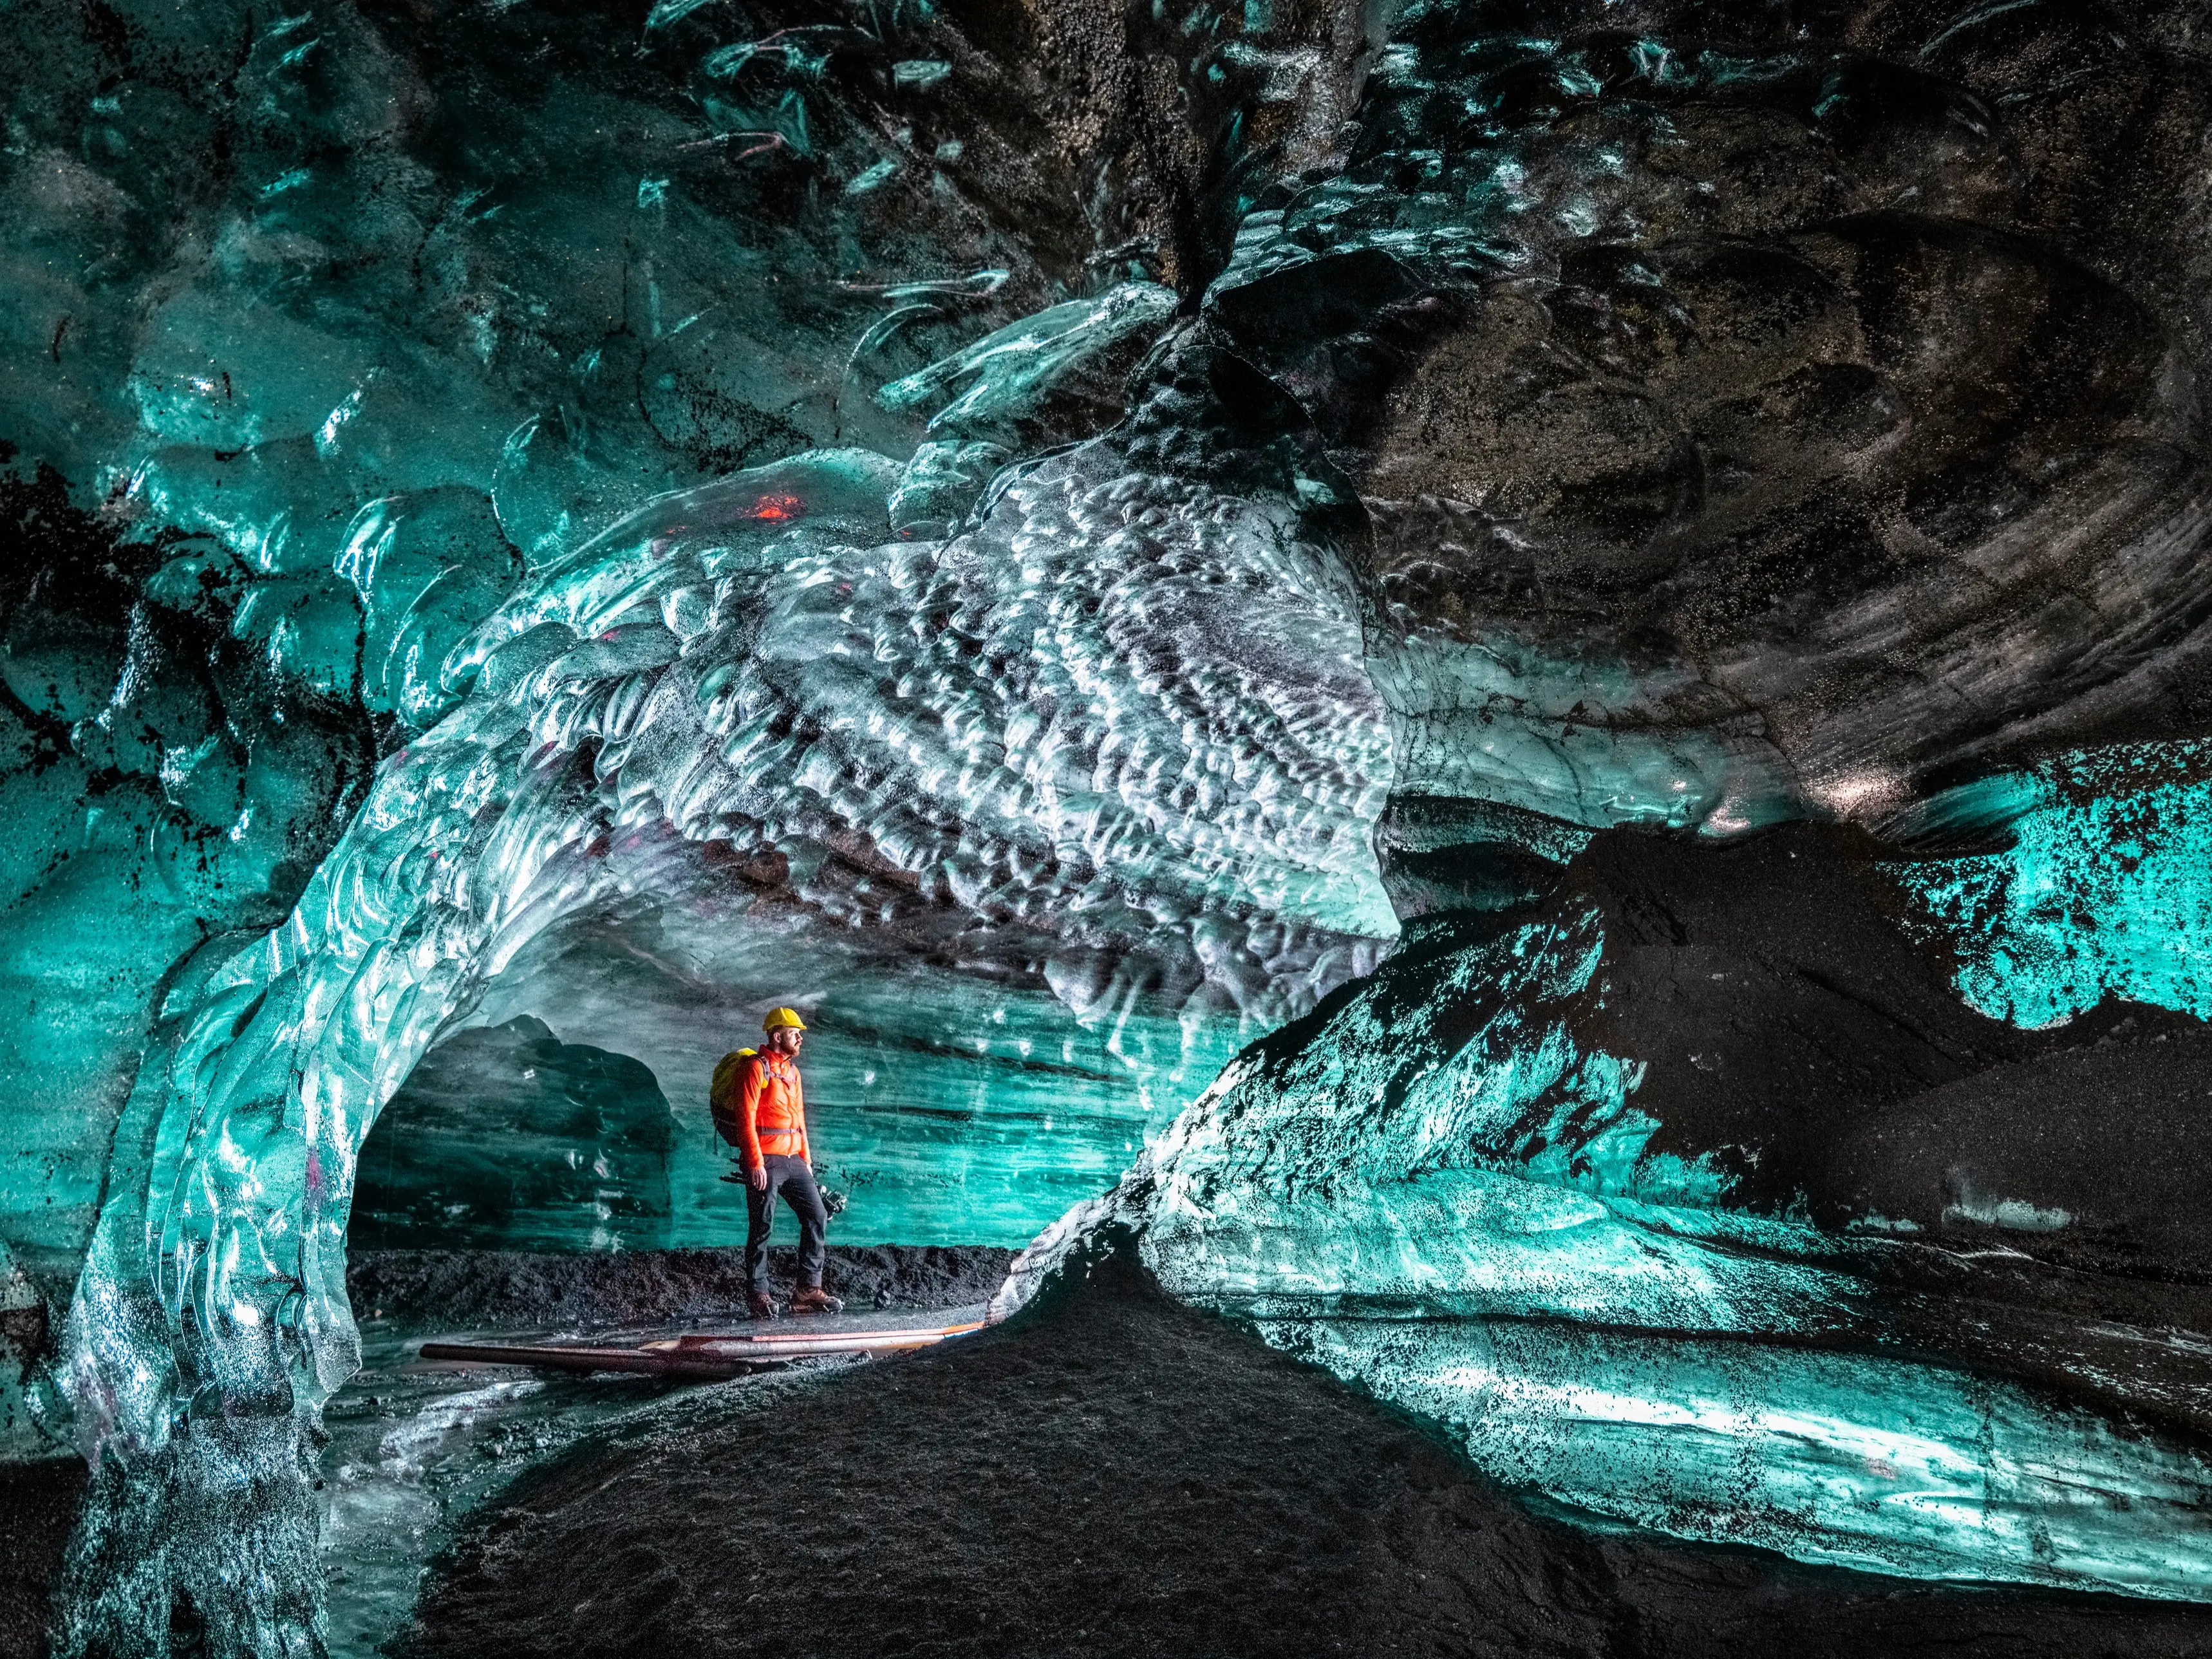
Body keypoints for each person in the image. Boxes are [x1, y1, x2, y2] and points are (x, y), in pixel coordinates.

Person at [726, 1007, 841, 1319]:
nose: (800, 1038)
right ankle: (759, 1294)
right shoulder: (755, 1068)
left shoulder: (793, 1072)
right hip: (766, 1160)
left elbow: (799, 1118)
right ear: (778, 1036)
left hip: (794, 1160)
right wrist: (754, 1162)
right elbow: (745, 1118)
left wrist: (806, 1159)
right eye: (795, 1033)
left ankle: (806, 1290)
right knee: (762, 1226)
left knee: (817, 1214)